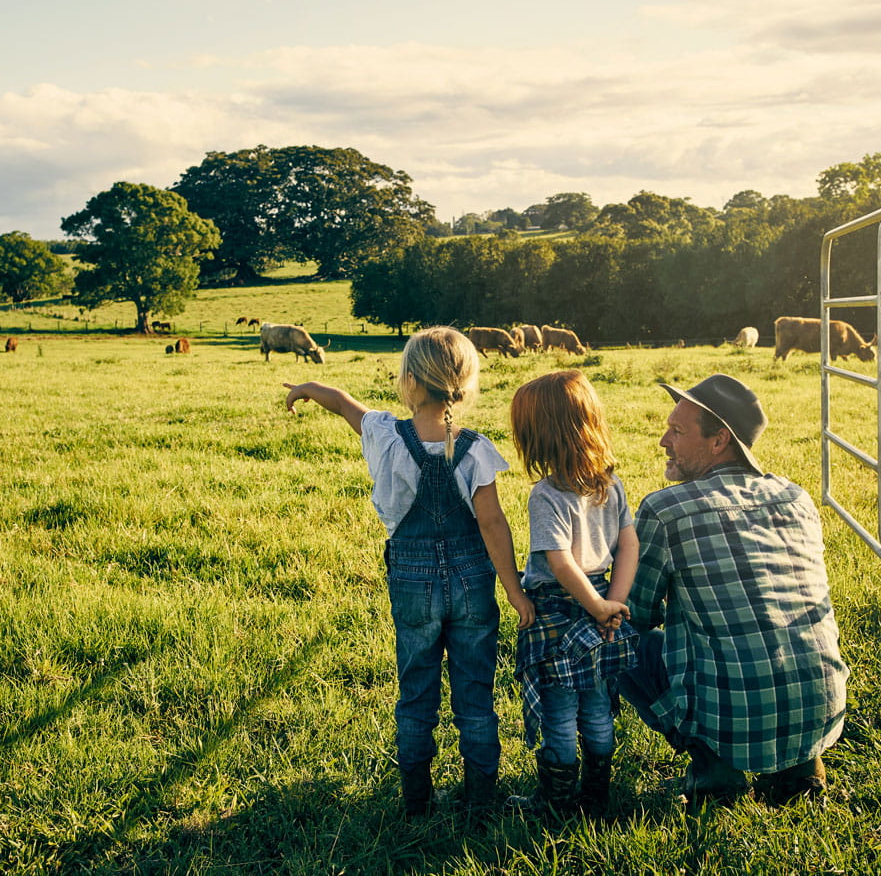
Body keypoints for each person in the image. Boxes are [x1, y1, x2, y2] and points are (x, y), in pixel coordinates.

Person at [283, 326, 534, 817]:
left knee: (416, 691)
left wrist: (307, 389)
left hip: (412, 582)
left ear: (410, 381)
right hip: (472, 582)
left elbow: (343, 404)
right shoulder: (475, 448)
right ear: (465, 382)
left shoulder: (384, 434)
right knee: (476, 696)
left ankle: (417, 801)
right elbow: (492, 522)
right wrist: (515, 591)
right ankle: (481, 801)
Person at [619, 373, 848, 806]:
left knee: (613, 635)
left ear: (719, 440)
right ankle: (800, 769)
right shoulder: (795, 497)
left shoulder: (666, 509)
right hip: (823, 711)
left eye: (677, 431)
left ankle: (714, 768)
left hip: (735, 721)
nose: (663, 441)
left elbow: (636, 612)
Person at [505, 370, 637, 818]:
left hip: (560, 611)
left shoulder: (546, 495)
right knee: (598, 704)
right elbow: (629, 544)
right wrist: (610, 603)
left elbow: (560, 565)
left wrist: (598, 606)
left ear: (540, 436)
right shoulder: (610, 484)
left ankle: (557, 802)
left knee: (560, 711)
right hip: (602, 603)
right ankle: (597, 797)